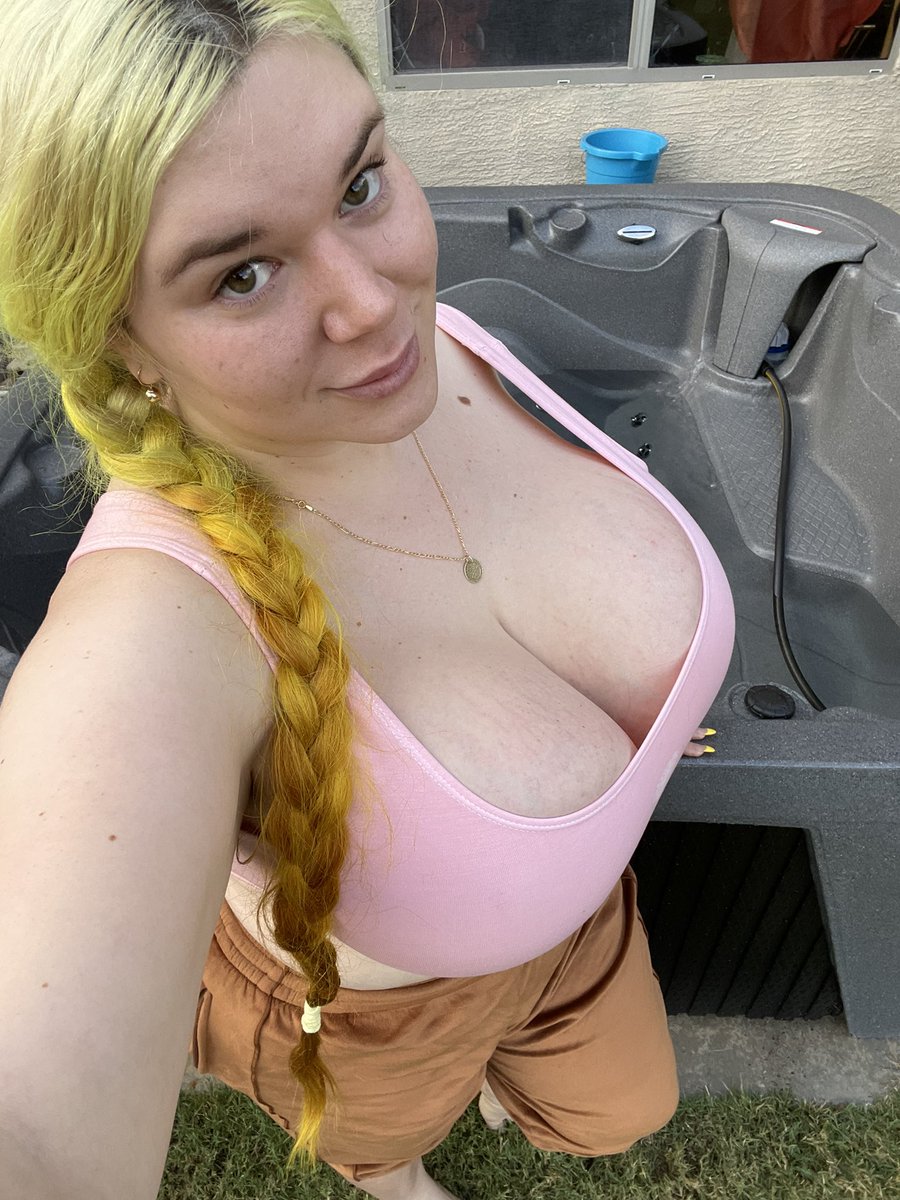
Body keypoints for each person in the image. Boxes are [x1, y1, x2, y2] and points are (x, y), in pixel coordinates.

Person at [0, 2, 735, 1198]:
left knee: (622, 1110)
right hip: (369, 1016)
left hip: (584, 919)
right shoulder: (158, 625)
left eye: (358, 186)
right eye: (242, 274)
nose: (374, 302)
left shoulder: (454, 343)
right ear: (122, 339)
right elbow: (32, 1118)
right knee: (383, 1145)